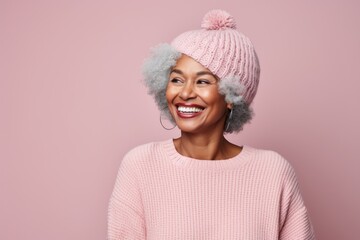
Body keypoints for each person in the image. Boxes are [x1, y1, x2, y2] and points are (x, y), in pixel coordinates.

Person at [107, 9, 315, 240]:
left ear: (231, 95)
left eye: (203, 81)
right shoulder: (140, 166)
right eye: (176, 79)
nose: (185, 92)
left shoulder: (274, 173)